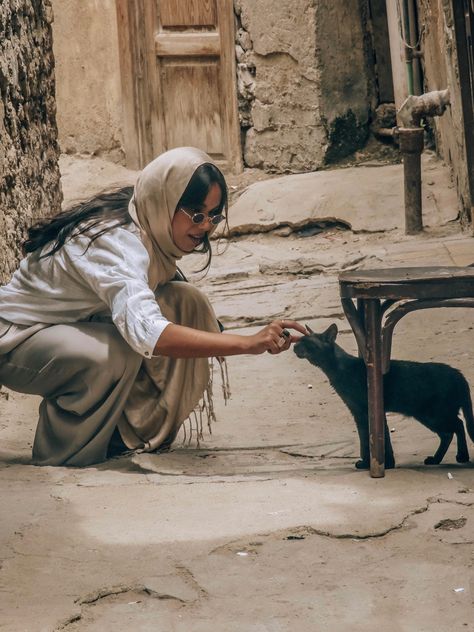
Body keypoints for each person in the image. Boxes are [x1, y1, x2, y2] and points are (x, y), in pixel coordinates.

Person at [0, 146, 306, 467]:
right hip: (17, 340)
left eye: (214, 216)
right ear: (164, 202)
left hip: (67, 325)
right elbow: (151, 335)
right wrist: (248, 344)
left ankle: (130, 432)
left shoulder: (146, 221)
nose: (205, 227)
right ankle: (64, 452)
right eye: (196, 215)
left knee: (188, 302)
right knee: (113, 353)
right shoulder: (118, 243)